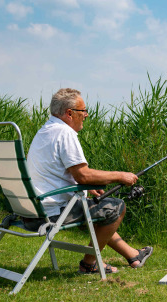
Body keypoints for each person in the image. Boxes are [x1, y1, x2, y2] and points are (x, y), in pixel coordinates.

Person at [24, 88, 152, 274]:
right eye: (82, 110)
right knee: (116, 207)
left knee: (97, 209)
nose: (86, 114)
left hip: (30, 211)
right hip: (51, 213)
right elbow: (83, 175)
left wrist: (86, 189)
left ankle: (133, 256)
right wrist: (121, 176)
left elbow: (55, 173)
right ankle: (89, 263)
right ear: (69, 113)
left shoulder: (44, 132)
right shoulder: (65, 134)